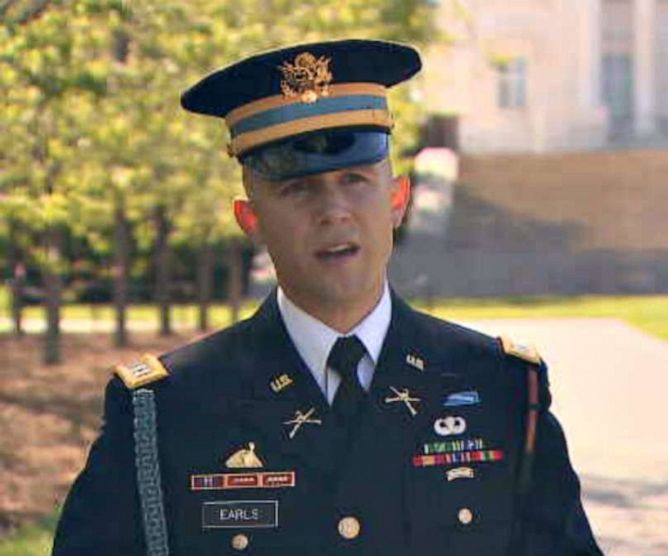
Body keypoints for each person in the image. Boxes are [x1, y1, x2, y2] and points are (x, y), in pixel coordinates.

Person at [52, 39, 601, 556]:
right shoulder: (167, 409)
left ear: (397, 200)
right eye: (298, 189)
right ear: (251, 219)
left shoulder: (498, 388)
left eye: (355, 181)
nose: (333, 211)